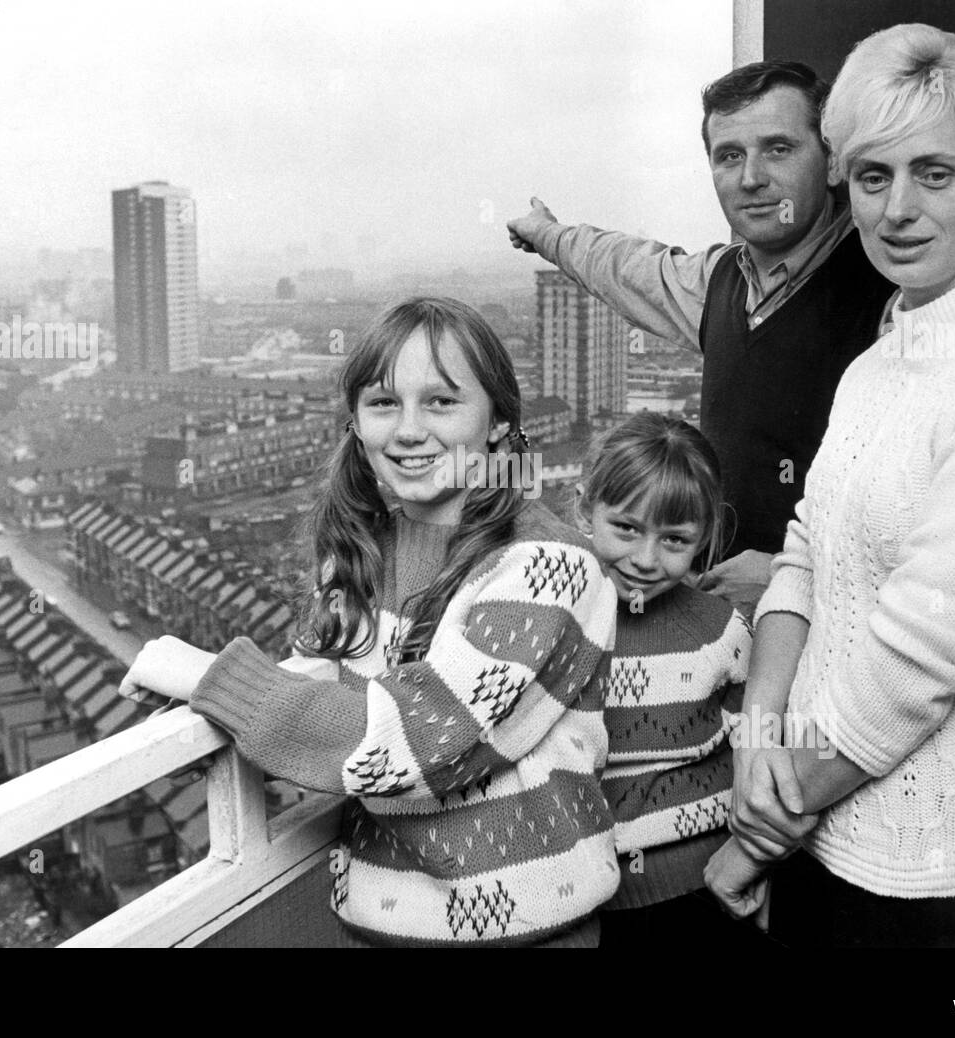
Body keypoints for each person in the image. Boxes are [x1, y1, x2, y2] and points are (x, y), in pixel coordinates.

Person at [704, 23, 955, 948]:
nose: (897, 210)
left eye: (937, 173)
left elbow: (920, 651)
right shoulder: (880, 361)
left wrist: (760, 830)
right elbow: (802, 560)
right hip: (817, 837)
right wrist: (760, 737)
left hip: (944, 889)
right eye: (875, 175)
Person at [118, 297, 622, 947]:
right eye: (383, 404)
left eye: (442, 402)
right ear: (356, 424)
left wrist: (211, 675)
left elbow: (417, 740)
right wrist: (208, 705)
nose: (409, 430)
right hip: (374, 924)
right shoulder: (363, 552)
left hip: (528, 937)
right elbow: (323, 680)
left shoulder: (547, 566)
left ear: (498, 422)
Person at [507, 61, 896, 617]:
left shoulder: (893, 296)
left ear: (834, 162)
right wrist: (547, 233)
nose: (751, 178)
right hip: (722, 629)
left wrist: (798, 579)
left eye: (778, 149)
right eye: (729, 155)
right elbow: (626, 266)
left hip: (840, 650)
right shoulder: (719, 282)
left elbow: (936, 520)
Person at [570, 413, 766, 948]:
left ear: (704, 537)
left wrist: (757, 856)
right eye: (627, 528)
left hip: (698, 892)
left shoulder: (720, 633)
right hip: (576, 894)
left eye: (674, 540)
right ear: (586, 508)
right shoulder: (554, 619)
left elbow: (760, 748)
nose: (645, 560)